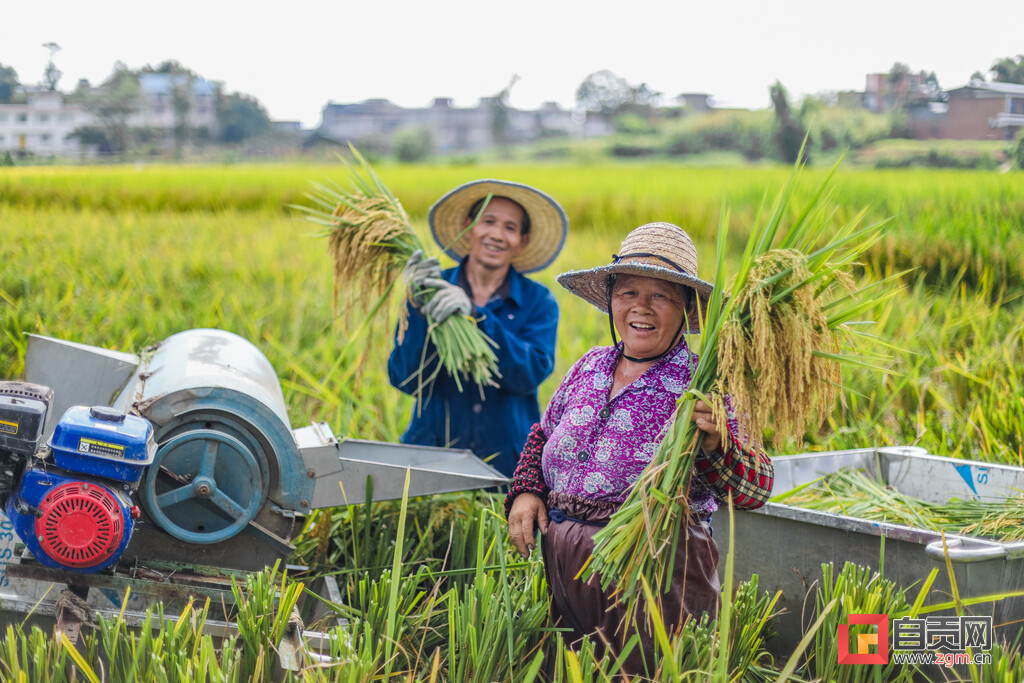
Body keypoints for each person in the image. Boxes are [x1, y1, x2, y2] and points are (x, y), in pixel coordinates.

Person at [503, 221, 775, 673]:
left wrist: (716, 445)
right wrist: (527, 490)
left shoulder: (704, 384)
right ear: (611, 298)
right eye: (628, 291)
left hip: (654, 577)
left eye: (661, 295)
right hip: (564, 572)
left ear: (687, 307)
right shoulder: (590, 365)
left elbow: (757, 489)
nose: (641, 307)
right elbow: (542, 435)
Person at [388, 179, 568, 477]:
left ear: (522, 240)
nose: (497, 234)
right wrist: (420, 311)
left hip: (507, 466)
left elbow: (529, 374)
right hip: (431, 458)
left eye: (510, 227)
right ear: (468, 226)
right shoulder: (431, 290)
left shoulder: (538, 301)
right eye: (488, 221)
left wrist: (476, 315)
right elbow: (406, 380)